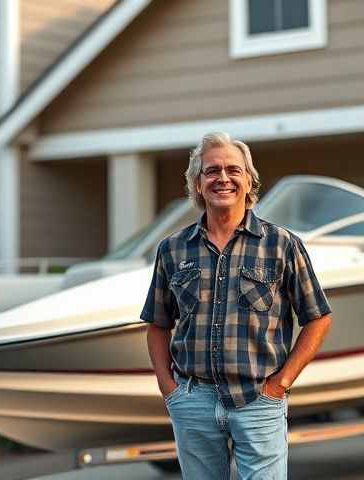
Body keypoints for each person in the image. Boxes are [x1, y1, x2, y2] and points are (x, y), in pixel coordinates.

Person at [141, 132, 332, 479]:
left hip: (259, 400)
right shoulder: (172, 249)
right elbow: (157, 324)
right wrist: (169, 390)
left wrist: (280, 385)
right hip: (192, 401)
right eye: (211, 171)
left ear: (249, 181)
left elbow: (317, 318)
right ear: (197, 184)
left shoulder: (282, 245)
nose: (223, 178)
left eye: (233, 170)